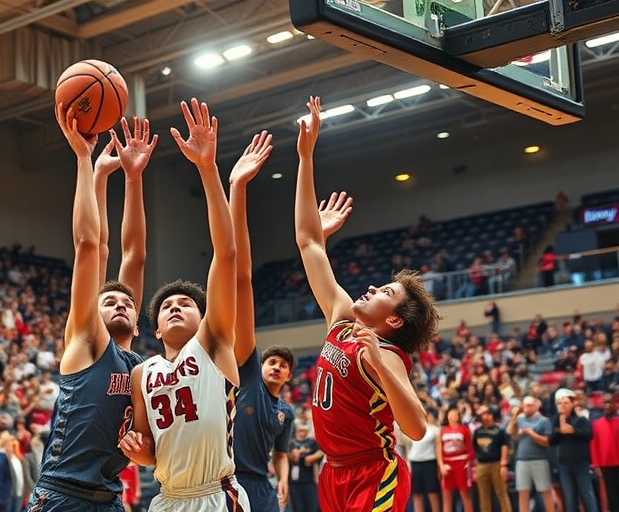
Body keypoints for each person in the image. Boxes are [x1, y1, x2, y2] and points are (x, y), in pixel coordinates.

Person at [293, 95, 440, 512]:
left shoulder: (387, 353)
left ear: (394, 320)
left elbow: (415, 427)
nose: (373, 289)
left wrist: (377, 360)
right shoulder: (340, 321)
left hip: (374, 471)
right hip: (332, 471)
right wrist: (306, 158)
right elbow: (306, 242)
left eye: (386, 293)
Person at [119, 98, 247, 511]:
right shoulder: (142, 373)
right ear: (154, 329)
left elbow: (225, 254)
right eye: (167, 306)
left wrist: (208, 170)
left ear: (205, 317)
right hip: (166, 500)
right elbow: (147, 450)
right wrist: (137, 453)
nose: (175, 307)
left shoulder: (212, 343)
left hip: (216, 496)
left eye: (186, 304)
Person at [27, 109, 156, 512]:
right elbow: (90, 246)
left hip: (109, 498)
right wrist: (86, 163)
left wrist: (131, 179)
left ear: (137, 324)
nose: (120, 303)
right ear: (91, 313)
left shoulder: (137, 365)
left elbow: (134, 255)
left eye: (127, 302)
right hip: (62, 495)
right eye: (108, 301)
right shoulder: (87, 341)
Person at [227, 130, 295, 511]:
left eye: (283, 365)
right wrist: (238, 188)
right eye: (272, 360)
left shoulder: (287, 411)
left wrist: (283, 478)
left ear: (287, 376)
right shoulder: (248, 374)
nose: (275, 367)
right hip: (228, 479)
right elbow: (242, 279)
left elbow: (281, 452)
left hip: (263, 484)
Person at [548, 388, 597, 512]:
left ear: (572, 404)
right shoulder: (555, 421)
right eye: (559, 403)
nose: (562, 405)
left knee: (588, 495)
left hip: (581, 464)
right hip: (564, 464)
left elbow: (589, 434)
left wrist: (573, 431)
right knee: (570, 498)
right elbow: (552, 440)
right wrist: (560, 428)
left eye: (565, 403)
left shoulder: (581, 420)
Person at [508, 396, 554, 512]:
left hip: (540, 460)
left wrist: (530, 433)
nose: (527, 408)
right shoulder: (520, 419)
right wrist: (514, 415)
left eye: (530, 405)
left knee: (545, 491)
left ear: (536, 406)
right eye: (525, 406)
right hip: (522, 460)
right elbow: (509, 431)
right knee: (522, 492)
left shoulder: (544, 421)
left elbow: (547, 442)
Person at [589, 393, 619, 512]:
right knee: (613, 497)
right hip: (606, 466)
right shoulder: (596, 425)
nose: (607, 405)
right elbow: (594, 446)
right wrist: (596, 465)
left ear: (615, 404)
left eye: (610, 402)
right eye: (605, 403)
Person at [472, 406, 512, 512]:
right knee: (483, 495)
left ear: (492, 416)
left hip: (496, 464)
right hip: (481, 464)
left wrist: (503, 464)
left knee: (501, 493)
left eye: (488, 414)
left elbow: (504, 446)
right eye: (483, 415)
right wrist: (475, 467)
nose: (485, 417)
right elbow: (475, 448)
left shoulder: (500, 431)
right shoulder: (477, 431)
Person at [437, 407, 474, 512]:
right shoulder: (443, 430)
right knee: (446, 496)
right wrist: (441, 465)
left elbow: (469, 448)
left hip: (461, 463)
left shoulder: (464, 429)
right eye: (452, 414)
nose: (454, 416)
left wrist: (467, 460)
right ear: (448, 416)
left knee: (465, 494)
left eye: (456, 414)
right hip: (447, 463)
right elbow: (438, 449)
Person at [408, 409, 442, 512]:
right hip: (415, 463)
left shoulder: (434, 429)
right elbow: (407, 446)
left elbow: (438, 447)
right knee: (417, 493)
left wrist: (439, 466)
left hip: (429, 462)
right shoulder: (411, 428)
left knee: (432, 492)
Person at [288, 424, 322, 512]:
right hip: (294, 481)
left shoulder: (312, 443)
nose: (301, 433)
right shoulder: (291, 443)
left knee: (312, 507)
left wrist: (302, 454)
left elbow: (311, 458)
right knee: (297, 508)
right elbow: (291, 456)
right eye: (300, 430)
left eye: (303, 431)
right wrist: (302, 452)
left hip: (309, 480)